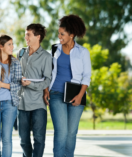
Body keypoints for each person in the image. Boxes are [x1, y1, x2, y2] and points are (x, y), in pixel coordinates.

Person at [43, 14, 91, 157]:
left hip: (76, 95)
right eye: (58, 33)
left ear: (72, 35)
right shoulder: (54, 50)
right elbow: (47, 73)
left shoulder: (83, 52)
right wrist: (46, 90)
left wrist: (80, 95)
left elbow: (87, 76)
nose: (59, 36)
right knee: (61, 132)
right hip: (56, 94)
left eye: (62, 34)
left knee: (71, 133)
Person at [17, 24, 52, 157]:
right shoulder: (20, 53)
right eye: (26, 34)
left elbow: (47, 80)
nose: (26, 37)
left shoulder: (46, 57)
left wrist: (30, 84)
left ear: (38, 37)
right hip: (22, 103)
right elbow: (16, 73)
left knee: (39, 139)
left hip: (38, 104)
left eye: (28, 34)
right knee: (23, 141)